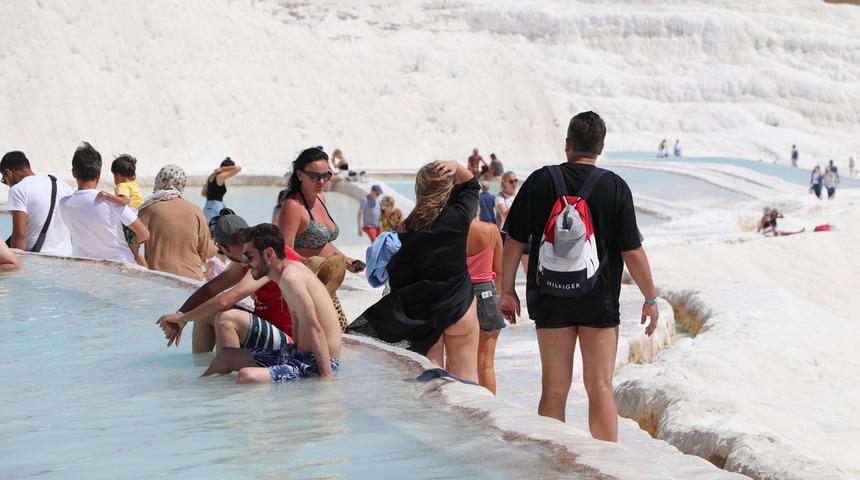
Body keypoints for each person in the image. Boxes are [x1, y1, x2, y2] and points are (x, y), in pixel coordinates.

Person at [499, 111, 658, 442]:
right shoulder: (614, 186)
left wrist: (507, 290)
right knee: (599, 387)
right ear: (600, 148)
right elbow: (632, 251)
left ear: (567, 144)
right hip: (598, 300)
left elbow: (513, 240)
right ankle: (606, 471)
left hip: (549, 296)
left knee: (554, 388)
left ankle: (550, 466)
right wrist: (650, 298)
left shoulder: (540, 181)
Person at [349, 160, 481, 384]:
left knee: (432, 383)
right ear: (447, 188)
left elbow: (401, 277)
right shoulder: (458, 217)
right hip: (460, 305)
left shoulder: (403, 230)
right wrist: (455, 165)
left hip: (424, 315)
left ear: (419, 189)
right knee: (468, 377)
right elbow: (471, 186)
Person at [199, 223, 342, 384]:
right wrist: (291, 355)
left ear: (268, 253)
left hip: (319, 363)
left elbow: (315, 327)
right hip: (300, 354)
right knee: (225, 356)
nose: (245, 263)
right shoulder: (283, 276)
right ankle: (198, 395)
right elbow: (297, 323)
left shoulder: (291, 278)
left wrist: (326, 380)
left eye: (249, 256)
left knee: (246, 376)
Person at [156, 211, 302, 353]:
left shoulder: (267, 258)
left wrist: (183, 318)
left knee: (227, 318)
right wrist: (180, 314)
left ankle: (223, 372)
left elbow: (226, 300)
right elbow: (210, 290)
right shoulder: (248, 256)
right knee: (205, 311)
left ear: (225, 248)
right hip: (267, 331)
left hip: (289, 342)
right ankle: (202, 368)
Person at [59, 142, 150, 263]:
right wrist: (132, 243)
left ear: (73, 173)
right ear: (99, 175)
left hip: (88, 271)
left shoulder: (63, 204)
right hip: (122, 270)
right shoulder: (111, 202)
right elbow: (144, 234)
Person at [278, 146, 362, 273]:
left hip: (326, 280)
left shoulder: (320, 198)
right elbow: (285, 251)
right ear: (300, 175)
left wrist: (345, 260)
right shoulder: (293, 206)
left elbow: (323, 242)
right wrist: (313, 264)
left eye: (326, 175)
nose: (322, 181)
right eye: (314, 176)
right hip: (307, 282)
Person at [138, 165, 215, 280]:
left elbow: (133, 242)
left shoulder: (148, 208)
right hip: (192, 279)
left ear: (159, 180)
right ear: (181, 184)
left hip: (159, 279)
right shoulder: (195, 210)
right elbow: (207, 251)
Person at [2, 151, 73, 255]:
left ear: (8, 172)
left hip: (37, 261)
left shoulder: (18, 190)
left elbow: (20, 234)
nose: (7, 184)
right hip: (66, 257)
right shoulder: (63, 185)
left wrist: (15, 262)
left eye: (4, 180)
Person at [466, 206, 505, 393]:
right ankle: (489, 416)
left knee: (456, 360)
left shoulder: (451, 230)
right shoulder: (491, 230)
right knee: (486, 364)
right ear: (478, 207)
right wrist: (498, 298)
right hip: (485, 296)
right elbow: (499, 270)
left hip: (458, 294)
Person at [97, 154, 146, 266]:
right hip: (137, 217)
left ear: (117, 176)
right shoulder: (133, 184)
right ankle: (146, 269)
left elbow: (124, 201)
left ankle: (146, 271)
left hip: (129, 223)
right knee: (136, 250)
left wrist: (108, 196)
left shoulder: (122, 186)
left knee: (134, 251)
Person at [496, 171, 529, 275]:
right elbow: (505, 214)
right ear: (504, 183)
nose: (514, 183)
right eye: (511, 181)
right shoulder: (500, 197)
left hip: (524, 232)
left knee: (527, 267)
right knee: (508, 269)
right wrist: (519, 202)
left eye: (516, 180)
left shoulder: (520, 194)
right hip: (507, 235)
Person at [202, 157, 241, 222]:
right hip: (216, 208)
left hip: (207, 208)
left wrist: (220, 202)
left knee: (209, 230)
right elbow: (238, 168)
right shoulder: (220, 177)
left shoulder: (211, 176)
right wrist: (221, 169)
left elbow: (203, 193)